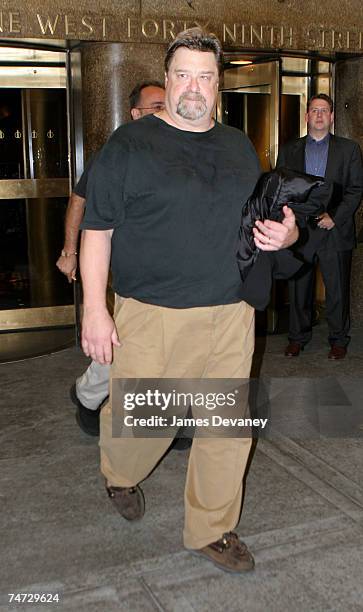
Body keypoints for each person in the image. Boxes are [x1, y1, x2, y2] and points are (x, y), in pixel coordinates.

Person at [80, 28, 298, 574]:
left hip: (229, 312)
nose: (193, 88)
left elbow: (256, 219)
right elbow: (97, 229)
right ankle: (118, 471)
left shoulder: (237, 145)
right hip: (153, 314)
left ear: (218, 84)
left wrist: (286, 234)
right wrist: (94, 308)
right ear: (168, 78)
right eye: (183, 75)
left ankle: (211, 527)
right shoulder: (129, 145)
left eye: (205, 76)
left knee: (227, 427)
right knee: (143, 425)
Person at [56, 81, 165, 435]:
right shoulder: (118, 152)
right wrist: (70, 252)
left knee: (166, 344)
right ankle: (88, 395)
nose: (163, 111)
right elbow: (79, 200)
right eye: (155, 106)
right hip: (127, 268)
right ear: (135, 114)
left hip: (170, 269)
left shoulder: (178, 148)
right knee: (128, 343)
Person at [277, 94, 363, 360]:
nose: (319, 115)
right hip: (300, 231)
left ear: (332, 116)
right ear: (306, 116)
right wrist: (290, 220)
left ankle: (338, 340)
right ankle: (297, 338)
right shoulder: (289, 150)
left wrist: (335, 216)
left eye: (324, 110)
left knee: (337, 290)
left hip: (333, 230)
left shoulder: (348, 150)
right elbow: (281, 188)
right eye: (314, 110)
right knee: (299, 287)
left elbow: (356, 189)